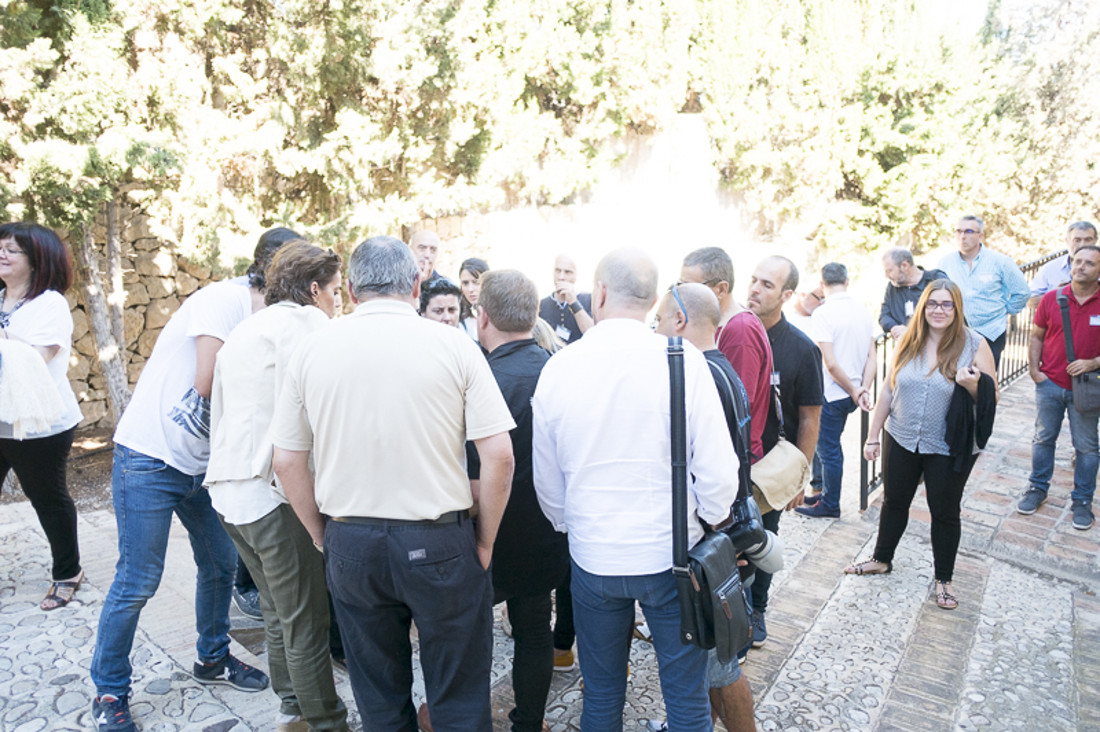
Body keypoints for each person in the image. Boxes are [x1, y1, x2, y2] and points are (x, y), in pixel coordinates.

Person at [271, 236, 516, 731]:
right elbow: (500, 456)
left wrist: (323, 535)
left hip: (352, 540)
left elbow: (286, 460)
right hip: (439, 542)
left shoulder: (311, 349)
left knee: (379, 698)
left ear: (354, 289)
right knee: (460, 695)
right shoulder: (454, 346)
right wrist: (485, 539)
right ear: (416, 283)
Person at [90, 228, 294, 732]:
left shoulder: (270, 319)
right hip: (150, 457)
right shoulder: (223, 299)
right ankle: (110, 689)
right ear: (275, 270)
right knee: (138, 580)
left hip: (201, 466)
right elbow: (207, 383)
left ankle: (212, 657)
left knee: (219, 566)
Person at [532, 248, 737, 732]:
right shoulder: (682, 359)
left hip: (594, 558)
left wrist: (571, 525)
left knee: (601, 693)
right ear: (650, 299)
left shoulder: (559, 367)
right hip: (672, 558)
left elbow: (547, 479)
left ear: (599, 292)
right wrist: (706, 519)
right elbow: (718, 473)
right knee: (686, 699)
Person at [205, 241, 348, 731]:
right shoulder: (308, 325)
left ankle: (290, 704)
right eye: (334, 291)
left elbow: (217, 411)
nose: (337, 302)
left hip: (227, 489)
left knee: (276, 608)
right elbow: (318, 412)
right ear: (313, 289)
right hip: (272, 494)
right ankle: (327, 720)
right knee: (307, 620)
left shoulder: (244, 330)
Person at [462, 269, 569, 732]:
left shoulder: (478, 379)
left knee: (469, 635)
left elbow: (469, 467)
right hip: (545, 529)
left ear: (482, 317)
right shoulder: (560, 373)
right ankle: (529, 722)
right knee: (533, 632)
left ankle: (464, 719)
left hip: (486, 528)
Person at [847, 280, 996, 610]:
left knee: (943, 512)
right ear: (923, 307)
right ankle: (881, 559)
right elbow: (888, 389)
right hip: (901, 435)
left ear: (956, 309)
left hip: (948, 445)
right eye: (932, 304)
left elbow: (991, 394)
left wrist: (972, 386)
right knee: (894, 500)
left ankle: (943, 580)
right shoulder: (908, 341)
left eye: (946, 304)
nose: (938, 310)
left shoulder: (974, 344)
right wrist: (873, 436)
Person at [653, 282, 756, 732]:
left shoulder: (701, 374)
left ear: (679, 320)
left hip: (711, 540)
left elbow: (714, 471)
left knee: (720, 665)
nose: (654, 331)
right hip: (721, 533)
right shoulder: (720, 369)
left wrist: (713, 533)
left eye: (657, 321)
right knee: (711, 659)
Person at [0, 222, 84, 611]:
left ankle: (68, 572)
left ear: (37, 261)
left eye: (12, 250)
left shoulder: (49, 304)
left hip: (40, 424)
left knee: (47, 498)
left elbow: (36, 359)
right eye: (0, 246)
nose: (2, 254)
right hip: (1, 417)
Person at [746, 255, 823, 647]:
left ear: (787, 295)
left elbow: (810, 418)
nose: (756, 289)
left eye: (768, 285)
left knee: (762, 540)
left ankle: (756, 609)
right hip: (731, 462)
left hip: (772, 468)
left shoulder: (801, 349)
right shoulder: (734, 333)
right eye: (754, 280)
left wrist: (799, 477)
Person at [1017, 245, 1100, 531]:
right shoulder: (1053, 298)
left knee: (1087, 447)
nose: (1081, 267)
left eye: (1089, 263)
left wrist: (1092, 363)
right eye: (1077, 261)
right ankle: (1037, 489)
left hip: (1087, 387)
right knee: (1043, 438)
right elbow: (1037, 335)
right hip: (1050, 383)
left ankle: (1082, 501)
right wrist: (1034, 369)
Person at [680, 247, 773, 465]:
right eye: (679, 286)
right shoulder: (723, 322)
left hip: (733, 460)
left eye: (689, 287)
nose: (681, 294)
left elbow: (737, 406)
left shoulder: (739, 330)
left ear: (721, 289)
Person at [796, 263, 875, 519]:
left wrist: (853, 390)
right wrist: (863, 389)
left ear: (822, 284)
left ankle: (830, 504)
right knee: (826, 448)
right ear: (847, 281)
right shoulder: (862, 311)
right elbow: (871, 356)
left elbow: (830, 363)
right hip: (852, 390)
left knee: (828, 450)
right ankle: (821, 494)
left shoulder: (823, 313)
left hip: (833, 392)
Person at [936, 215, 1029, 370]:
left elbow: (1022, 292)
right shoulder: (945, 263)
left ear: (980, 236)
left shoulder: (1000, 262)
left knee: (985, 383)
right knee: (954, 380)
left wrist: (1004, 310)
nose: (962, 236)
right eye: (958, 231)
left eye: (968, 231)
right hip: (955, 333)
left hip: (991, 332)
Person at [1027, 221, 1098, 309]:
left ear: (1096, 240)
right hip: (1059, 321)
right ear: (1067, 241)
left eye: (1088, 240)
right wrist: (1055, 295)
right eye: (1077, 240)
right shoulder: (1050, 268)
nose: (1082, 245)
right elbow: (1030, 301)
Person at [879, 247, 947, 338]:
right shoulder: (892, 287)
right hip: (907, 349)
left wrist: (911, 331)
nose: (886, 276)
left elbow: (947, 315)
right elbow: (884, 315)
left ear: (904, 266)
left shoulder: (935, 280)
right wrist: (894, 328)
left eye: (889, 271)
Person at [538, 254, 593, 344]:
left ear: (576, 275)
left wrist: (573, 302)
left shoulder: (589, 300)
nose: (561, 277)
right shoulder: (541, 305)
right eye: (558, 271)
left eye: (568, 272)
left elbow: (592, 334)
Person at [458, 257, 489, 341]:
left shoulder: (500, 315)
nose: (470, 289)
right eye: (465, 283)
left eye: (476, 282)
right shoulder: (458, 317)